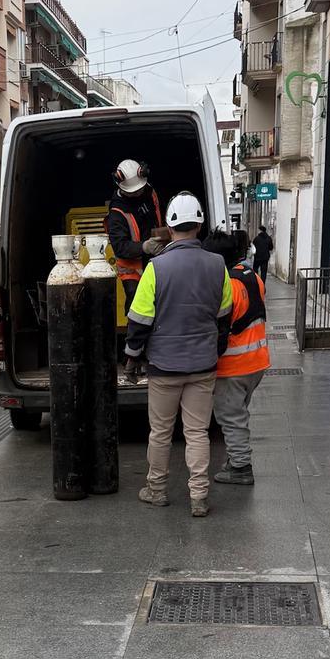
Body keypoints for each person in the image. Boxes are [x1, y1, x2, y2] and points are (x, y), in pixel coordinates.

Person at [124, 192, 233, 518]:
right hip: (203, 365)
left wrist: (132, 357)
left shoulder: (156, 268)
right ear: (199, 225)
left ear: (169, 229)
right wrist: (216, 347)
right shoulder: (218, 266)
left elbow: (139, 320)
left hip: (164, 366)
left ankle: (156, 490)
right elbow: (224, 313)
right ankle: (199, 497)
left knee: (160, 432)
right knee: (197, 432)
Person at [211, 230, 271, 486]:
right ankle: (236, 457)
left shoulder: (228, 285)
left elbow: (220, 325)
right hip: (257, 361)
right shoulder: (251, 276)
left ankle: (240, 467)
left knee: (230, 415)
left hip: (234, 364)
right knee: (238, 411)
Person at [105, 159, 165, 315]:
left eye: (140, 189)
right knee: (137, 305)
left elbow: (158, 217)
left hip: (157, 260)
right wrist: (144, 247)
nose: (138, 192)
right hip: (133, 269)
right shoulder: (117, 212)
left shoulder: (149, 192)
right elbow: (119, 247)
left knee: (161, 303)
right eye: (133, 191)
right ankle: (134, 337)